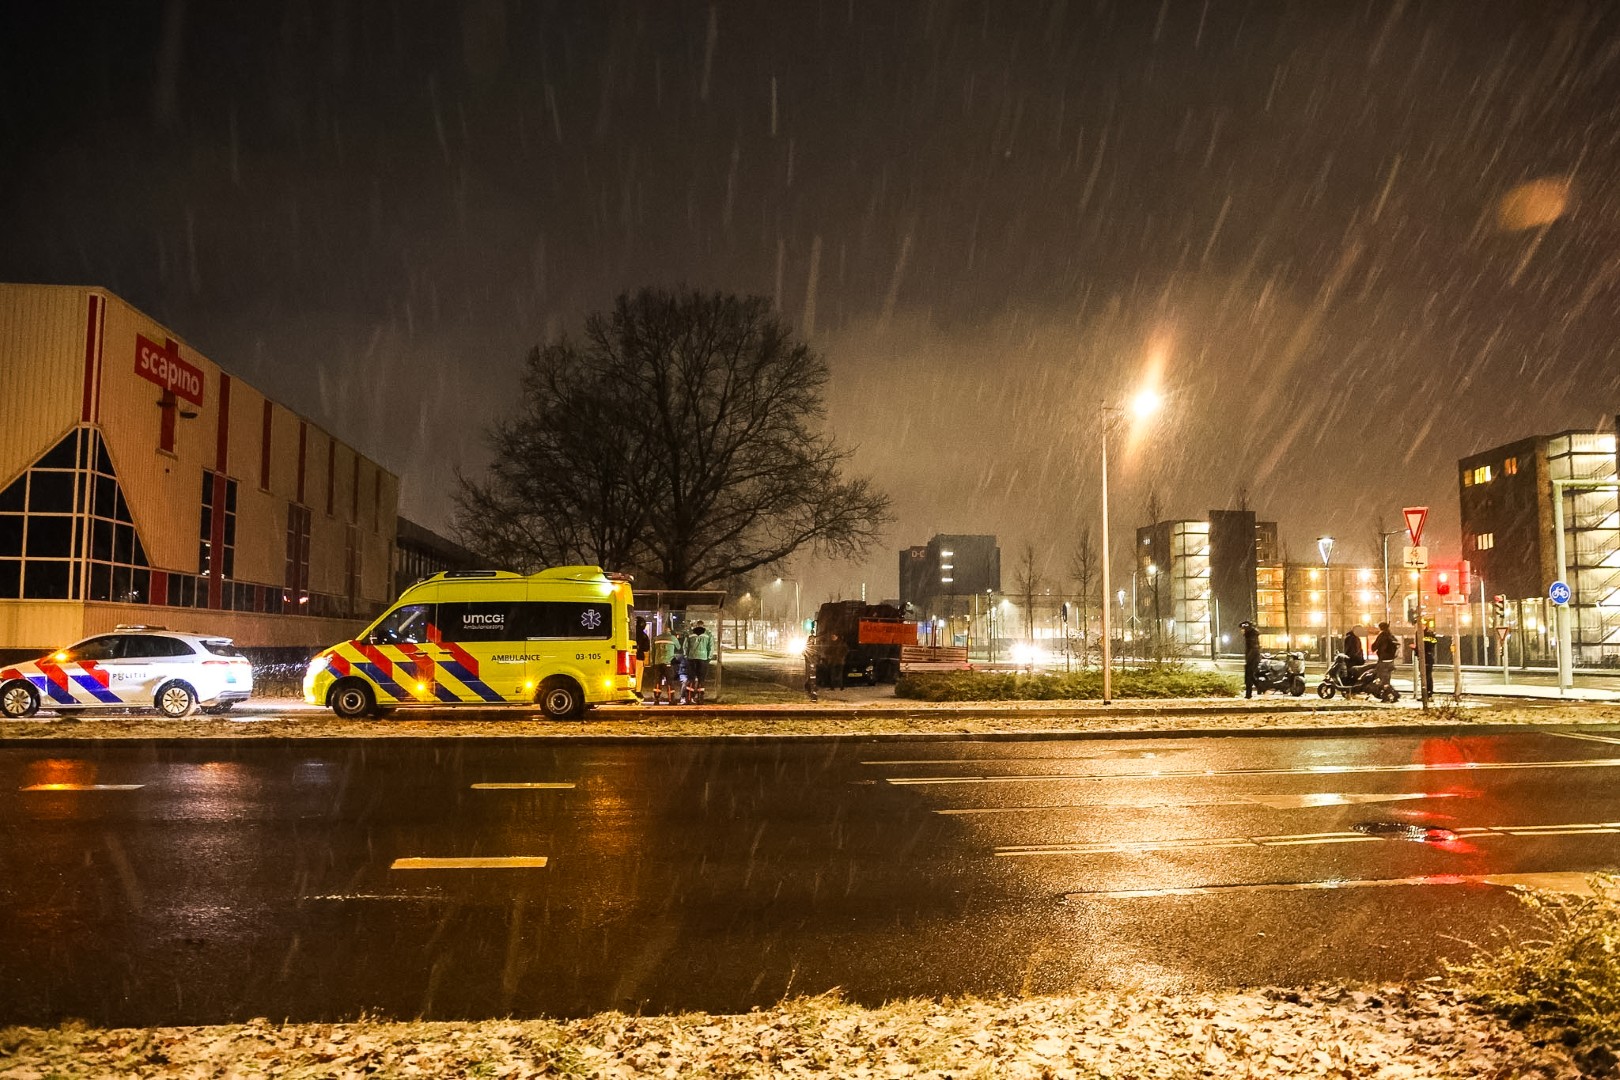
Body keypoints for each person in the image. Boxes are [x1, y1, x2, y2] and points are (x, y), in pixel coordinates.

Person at [646, 624, 679, 705]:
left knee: (657, 681)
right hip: (668, 663)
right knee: (670, 681)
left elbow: (653, 651)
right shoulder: (673, 638)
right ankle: (671, 700)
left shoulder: (656, 638)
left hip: (658, 662)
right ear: (669, 631)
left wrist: (653, 662)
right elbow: (678, 647)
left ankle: (656, 699)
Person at [684, 620, 715, 703]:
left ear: (696, 625)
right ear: (703, 625)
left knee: (691, 679)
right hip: (703, 658)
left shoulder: (690, 633)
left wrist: (686, 656)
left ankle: (689, 698)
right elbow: (711, 647)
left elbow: (685, 646)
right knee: (701, 679)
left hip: (692, 658)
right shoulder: (708, 634)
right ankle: (700, 699)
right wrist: (709, 657)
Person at [1241, 620, 1261, 698]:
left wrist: (1249, 659)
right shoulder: (1250, 636)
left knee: (1249, 676)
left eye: (1243, 629)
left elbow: (1253, 648)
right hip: (1252, 658)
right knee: (1250, 676)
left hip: (1252, 658)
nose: (1241, 631)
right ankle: (1259, 688)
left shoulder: (1251, 637)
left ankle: (1250, 694)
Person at [1422, 620, 1438, 701]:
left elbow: (1432, 643)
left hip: (1427, 657)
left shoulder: (1428, 634)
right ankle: (1427, 693)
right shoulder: (1420, 633)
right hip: (1424, 656)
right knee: (1425, 676)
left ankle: (1428, 693)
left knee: (1427, 676)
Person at [802, 633, 819, 702]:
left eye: (813, 639)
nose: (812, 640)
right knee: (809, 676)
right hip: (809, 663)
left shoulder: (815, 646)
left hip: (814, 663)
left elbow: (818, 653)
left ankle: (813, 691)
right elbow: (804, 653)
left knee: (813, 677)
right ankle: (810, 689)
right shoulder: (807, 646)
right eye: (811, 639)